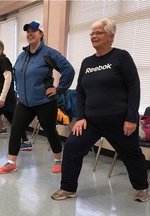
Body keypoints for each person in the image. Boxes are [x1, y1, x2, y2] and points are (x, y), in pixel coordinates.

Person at [51, 18, 149, 202]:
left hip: (119, 121)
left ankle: (142, 187)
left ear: (111, 36)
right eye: (92, 33)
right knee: (72, 147)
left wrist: (131, 118)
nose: (93, 36)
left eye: (98, 32)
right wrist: (80, 117)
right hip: (91, 121)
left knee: (132, 154)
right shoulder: (88, 62)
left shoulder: (121, 57)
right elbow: (80, 91)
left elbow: (134, 87)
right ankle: (68, 188)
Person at [0, 21, 75, 174]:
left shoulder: (48, 53)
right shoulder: (23, 55)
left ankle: (58, 160)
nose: (30, 34)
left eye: (34, 31)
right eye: (28, 31)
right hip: (25, 102)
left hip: (44, 102)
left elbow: (68, 70)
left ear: (41, 34)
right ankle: (11, 162)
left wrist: (58, 90)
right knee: (16, 129)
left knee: (50, 131)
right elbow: (16, 73)